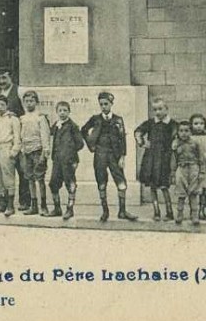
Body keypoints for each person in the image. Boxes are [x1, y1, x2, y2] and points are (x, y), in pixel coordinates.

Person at [81, 91, 138, 222]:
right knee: (101, 182)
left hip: (114, 155)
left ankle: (122, 211)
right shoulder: (95, 118)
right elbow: (83, 130)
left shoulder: (118, 119)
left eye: (106, 104)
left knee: (121, 182)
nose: (103, 106)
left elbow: (122, 138)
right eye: (101, 104)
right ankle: (105, 211)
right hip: (100, 155)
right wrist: (91, 144)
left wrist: (123, 156)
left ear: (111, 104)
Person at [134, 97, 177, 221]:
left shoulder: (172, 124)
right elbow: (138, 131)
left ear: (166, 109)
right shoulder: (151, 123)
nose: (157, 112)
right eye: (155, 110)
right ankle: (156, 211)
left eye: (160, 109)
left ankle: (169, 212)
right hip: (151, 158)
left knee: (164, 185)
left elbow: (177, 135)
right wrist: (142, 142)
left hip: (165, 158)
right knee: (153, 185)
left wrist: (175, 143)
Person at [0, 66, 30, 210]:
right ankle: (3, 201)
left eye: (4, 78)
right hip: (3, 137)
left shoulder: (19, 92)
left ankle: (24, 200)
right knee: (2, 171)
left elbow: (27, 113)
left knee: (22, 170)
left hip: (18, 137)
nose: (1, 81)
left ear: (11, 77)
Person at [48, 101, 84, 220]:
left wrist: (69, 151)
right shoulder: (56, 125)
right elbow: (50, 132)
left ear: (69, 112)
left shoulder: (73, 126)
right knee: (53, 183)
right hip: (57, 160)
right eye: (60, 110)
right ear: (57, 112)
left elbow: (80, 144)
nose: (62, 113)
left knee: (70, 184)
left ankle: (70, 209)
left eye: (65, 110)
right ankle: (57, 208)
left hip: (69, 161)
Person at [0, 94, 21, 217]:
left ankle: (11, 205)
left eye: (2, 105)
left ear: (7, 105)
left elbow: (17, 137)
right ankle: (2, 203)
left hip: (6, 148)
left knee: (8, 176)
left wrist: (14, 151)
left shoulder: (12, 119)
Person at [18, 90, 51, 216]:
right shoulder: (23, 118)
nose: (29, 103)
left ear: (36, 102)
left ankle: (43, 205)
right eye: (26, 101)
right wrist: (21, 150)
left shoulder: (41, 118)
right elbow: (21, 135)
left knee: (40, 179)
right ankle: (34, 205)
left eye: (31, 101)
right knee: (30, 179)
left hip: (38, 151)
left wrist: (45, 151)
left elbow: (45, 135)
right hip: (26, 151)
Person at [170, 120, 202, 227]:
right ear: (178, 132)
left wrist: (201, 172)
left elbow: (200, 157)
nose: (184, 133)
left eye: (186, 131)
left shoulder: (195, 143)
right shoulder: (176, 144)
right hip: (181, 168)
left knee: (193, 193)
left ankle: (194, 215)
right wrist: (173, 172)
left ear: (191, 132)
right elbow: (173, 159)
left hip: (193, 167)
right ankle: (180, 213)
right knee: (181, 193)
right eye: (181, 131)